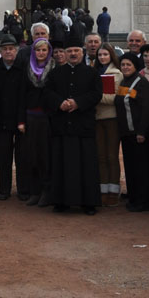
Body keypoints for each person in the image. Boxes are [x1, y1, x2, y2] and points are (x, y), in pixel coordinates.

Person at [43, 35, 102, 213]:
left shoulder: (92, 73)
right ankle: (62, 201)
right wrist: (59, 103)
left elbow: (96, 94)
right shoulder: (55, 74)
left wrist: (78, 103)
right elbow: (47, 93)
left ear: (82, 52)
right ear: (64, 54)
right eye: (70, 51)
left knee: (86, 166)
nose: (73, 54)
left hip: (83, 126)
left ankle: (88, 203)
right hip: (62, 126)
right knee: (62, 165)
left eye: (76, 50)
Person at [115, 51, 149, 212]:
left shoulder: (141, 82)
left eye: (128, 64)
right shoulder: (124, 82)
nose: (125, 67)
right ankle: (133, 197)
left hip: (137, 133)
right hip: (125, 132)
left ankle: (143, 201)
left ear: (135, 66)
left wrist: (142, 131)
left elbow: (146, 109)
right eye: (123, 64)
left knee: (141, 169)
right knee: (130, 168)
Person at [0, 35, 26, 200]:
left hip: (20, 118)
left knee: (21, 156)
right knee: (3, 157)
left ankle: (22, 189)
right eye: (5, 49)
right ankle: (4, 190)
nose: (8, 52)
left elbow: (25, 95)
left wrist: (22, 119)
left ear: (16, 50)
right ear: (0, 51)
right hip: (2, 118)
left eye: (11, 48)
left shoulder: (23, 67)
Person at [23, 35, 54, 206]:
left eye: (44, 50)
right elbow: (21, 93)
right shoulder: (27, 68)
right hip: (31, 116)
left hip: (46, 118)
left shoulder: (54, 68)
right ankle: (35, 191)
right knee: (32, 155)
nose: (41, 53)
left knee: (45, 156)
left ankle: (47, 190)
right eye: (38, 50)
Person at [92, 43, 122, 206]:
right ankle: (103, 189)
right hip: (97, 118)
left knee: (111, 156)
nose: (102, 57)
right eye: (100, 55)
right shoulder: (95, 72)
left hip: (111, 118)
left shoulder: (116, 73)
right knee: (101, 156)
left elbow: (114, 97)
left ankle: (113, 190)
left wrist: (95, 96)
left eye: (105, 54)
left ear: (111, 55)